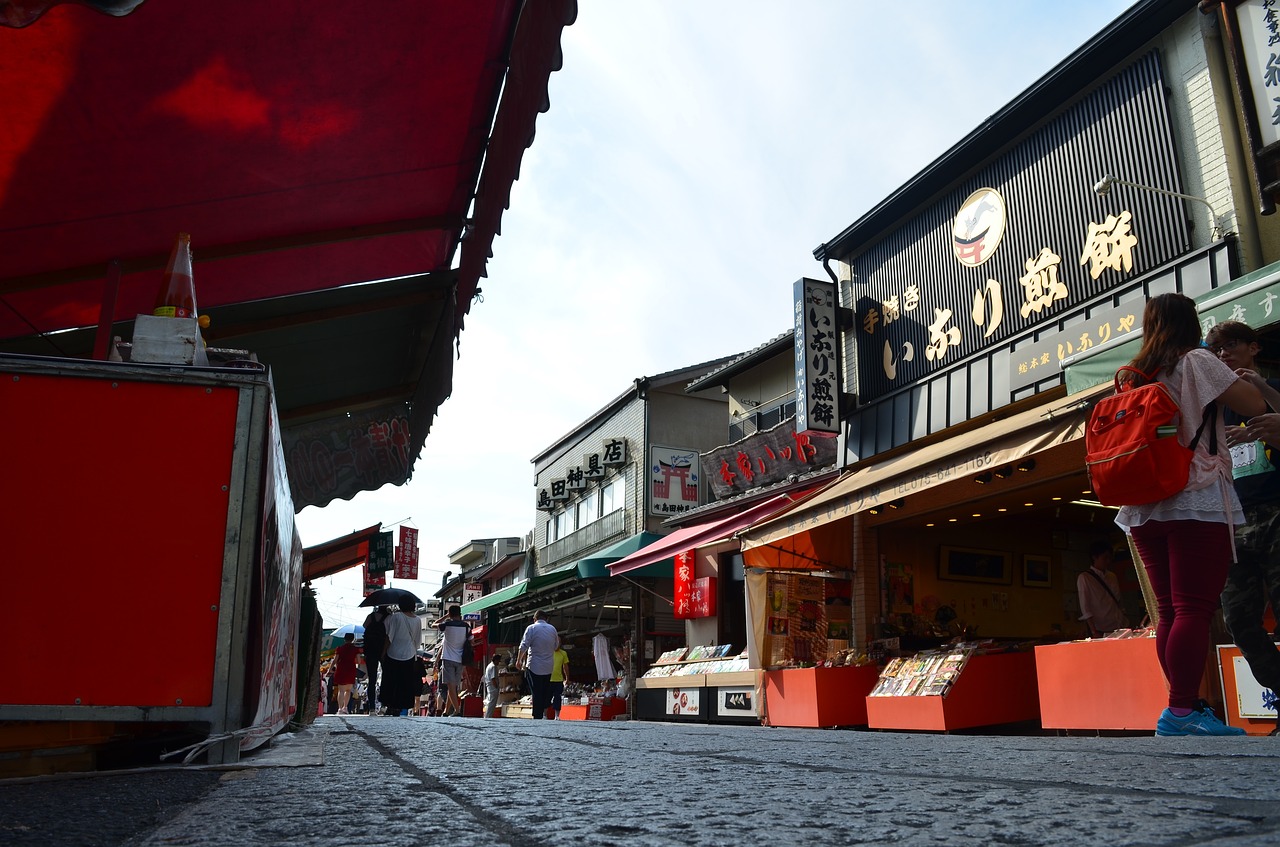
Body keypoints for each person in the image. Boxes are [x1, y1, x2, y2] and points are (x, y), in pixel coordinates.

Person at [1114, 293, 1265, 737]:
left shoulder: (1132, 374)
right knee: (1194, 608)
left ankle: (1184, 705)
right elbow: (1253, 404)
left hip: (1143, 504)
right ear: (1190, 322)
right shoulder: (1196, 360)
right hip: (1195, 497)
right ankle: (1180, 712)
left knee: (1169, 611)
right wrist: (1244, 379)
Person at [1205, 320, 1280, 706]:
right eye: (1216, 349)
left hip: (1276, 513)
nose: (1223, 354)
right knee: (1238, 620)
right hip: (1233, 521)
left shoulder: (1273, 391)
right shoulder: (1215, 409)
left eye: (1231, 345)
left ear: (1254, 348)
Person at [381, 598, 423, 716]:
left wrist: (383, 652)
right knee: (405, 683)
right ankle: (401, 706)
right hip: (409, 654)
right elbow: (418, 640)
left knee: (391, 681)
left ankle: (390, 704)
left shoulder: (396, 616)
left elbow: (390, 637)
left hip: (393, 653)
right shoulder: (418, 620)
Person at [1077, 541, 1127, 637]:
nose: (1108, 561)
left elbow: (1118, 600)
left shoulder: (1112, 576)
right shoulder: (1085, 577)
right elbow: (1085, 607)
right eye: (1105, 558)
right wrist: (1093, 631)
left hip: (1118, 625)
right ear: (1094, 557)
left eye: (1109, 558)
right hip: (1100, 629)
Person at [517, 610, 558, 719]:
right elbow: (556, 645)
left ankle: (537, 714)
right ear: (546, 619)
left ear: (535, 619)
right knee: (544, 690)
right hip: (548, 665)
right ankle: (544, 712)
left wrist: (519, 660)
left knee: (536, 690)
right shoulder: (552, 629)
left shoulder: (531, 628)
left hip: (534, 664)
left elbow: (523, 646)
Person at [435, 604, 471, 717]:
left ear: (450, 614)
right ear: (460, 614)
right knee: (453, 686)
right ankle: (446, 711)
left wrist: (445, 617)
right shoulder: (466, 626)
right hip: (460, 659)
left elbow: (433, 624)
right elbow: (471, 640)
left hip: (448, 658)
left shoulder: (447, 624)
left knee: (450, 686)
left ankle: (457, 710)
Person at [361, 605, 390, 714]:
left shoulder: (371, 616)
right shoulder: (389, 617)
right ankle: (383, 705)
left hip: (370, 651)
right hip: (384, 651)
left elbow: (364, 626)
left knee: (372, 680)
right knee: (385, 679)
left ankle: (372, 707)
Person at [330, 632, 360, 715]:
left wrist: (330, 669)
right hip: (351, 669)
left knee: (341, 690)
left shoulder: (340, 648)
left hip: (341, 668)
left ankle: (339, 708)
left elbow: (335, 660)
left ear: (344, 639)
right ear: (353, 639)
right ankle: (345, 707)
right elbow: (358, 661)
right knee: (348, 690)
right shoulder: (355, 649)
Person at [549, 638, 570, 719]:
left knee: (557, 697)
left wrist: (567, 678)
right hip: (548, 678)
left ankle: (557, 715)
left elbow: (565, 667)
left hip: (558, 679)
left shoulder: (563, 653)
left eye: (558, 642)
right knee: (547, 697)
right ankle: (544, 714)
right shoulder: (548, 652)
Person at [483, 652, 505, 718]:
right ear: (495, 660)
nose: (498, 663)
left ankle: (487, 715)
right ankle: (488, 716)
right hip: (493, 687)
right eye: (498, 661)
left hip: (489, 686)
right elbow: (493, 678)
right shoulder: (493, 667)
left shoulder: (489, 666)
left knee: (490, 702)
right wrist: (496, 687)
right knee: (492, 703)